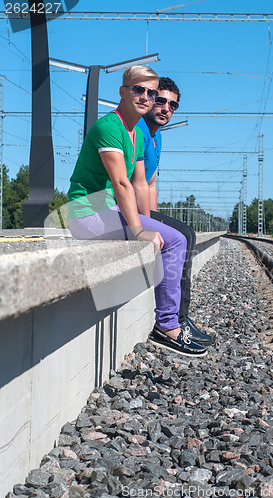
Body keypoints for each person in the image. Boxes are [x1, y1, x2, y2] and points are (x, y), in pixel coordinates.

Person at [67, 65, 207, 358]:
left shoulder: (138, 134)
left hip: (107, 210)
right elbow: (121, 183)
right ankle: (168, 326)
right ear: (123, 91)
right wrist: (139, 229)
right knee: (175, 241)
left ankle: (171, 323)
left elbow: (141, 183)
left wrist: (150, 221)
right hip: (85, 211)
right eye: (139, 90)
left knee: (178, 238)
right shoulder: (110, 127)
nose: (146, 97)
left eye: (151, 92)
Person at [136, 77, 214, 347]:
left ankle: (182, 317)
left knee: (188, 234)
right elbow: (135, 185)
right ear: (149, 100)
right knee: (182, 237)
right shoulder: (138, 131)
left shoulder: (157, 138)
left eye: (173, 105)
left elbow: (151, 183)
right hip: (122, 208)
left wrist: (157, 218)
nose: (166, 108)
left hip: (141, 206)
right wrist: (148, 223)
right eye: (161, 101)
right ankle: (175, 320)